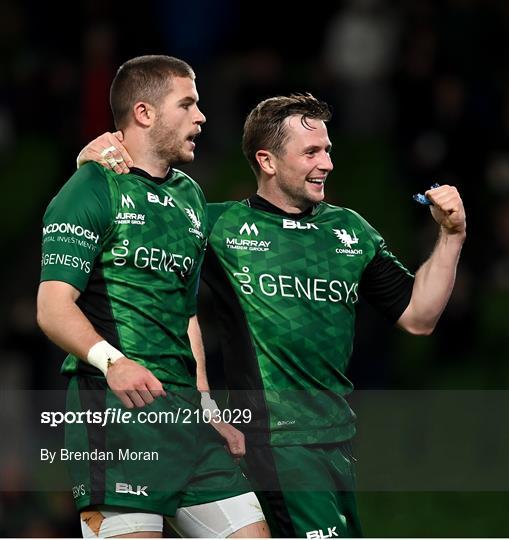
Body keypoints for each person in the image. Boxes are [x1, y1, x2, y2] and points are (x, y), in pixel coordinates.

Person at [78, 93, 466, 538]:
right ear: (267, 160)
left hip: (335, 441)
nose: (327, 164)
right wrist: (90, 166)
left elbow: (419, 315)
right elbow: (125, 232)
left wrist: (452, 236)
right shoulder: (216, 225)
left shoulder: (351, 231)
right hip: (271, 442)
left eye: (328, 151)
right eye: (311, 152)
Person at [37, 55, 269, 539]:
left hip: (188, 423)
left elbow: (186, 317)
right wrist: (112, 362)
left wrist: (208, 410)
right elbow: (52, 307)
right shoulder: (90, 187)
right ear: (144, 113)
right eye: (187, 104)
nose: (200, 116)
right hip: (116, 421)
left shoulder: (189, 196)